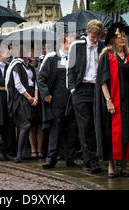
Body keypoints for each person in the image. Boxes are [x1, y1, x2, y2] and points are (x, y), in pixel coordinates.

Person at [95, 22, 129, 178]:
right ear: (112, 39)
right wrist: (108, 100)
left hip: (127, 102)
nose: (122, 38)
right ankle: (111, 165)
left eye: (124, 36)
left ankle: (124, 164)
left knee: (126, 133)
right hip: (113, 102)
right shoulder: (106, 57)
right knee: (111, 133)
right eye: (119, 36)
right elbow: (102, 81)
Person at [67, 19, 105, 174]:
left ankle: (94, 157)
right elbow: (70, 68)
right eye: (93, 36)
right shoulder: (76, 45)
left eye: (98, 36)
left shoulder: (102, 46)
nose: (95, 39)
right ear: (88, 33)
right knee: (85, 125)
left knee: (96, 124)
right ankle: (91, 161)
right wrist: (73, 89)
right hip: (81, 89)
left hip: (97, 89)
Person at [38, 34, 82, 169]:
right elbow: (41, 78)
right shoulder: (52, 58)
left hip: (72, 100)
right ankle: (51, 158)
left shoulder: (76, 58)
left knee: (72, 131)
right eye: (70, 43)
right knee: (55, 131)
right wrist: (46, 94)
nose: (73, 45)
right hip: (56, 101)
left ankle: (71, 158)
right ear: (62, 44)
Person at [6, 44, 39, 163]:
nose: (31, 52)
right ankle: (19, 154)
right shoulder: (16, 65)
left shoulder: (29, 66)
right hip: (21, 98)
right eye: (29, 50)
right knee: (25, 124)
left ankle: (23, 152)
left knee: (28, 124)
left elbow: (35, 82)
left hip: (31, 96)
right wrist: (30, 98)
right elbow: (18, 85)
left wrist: (36, 96)